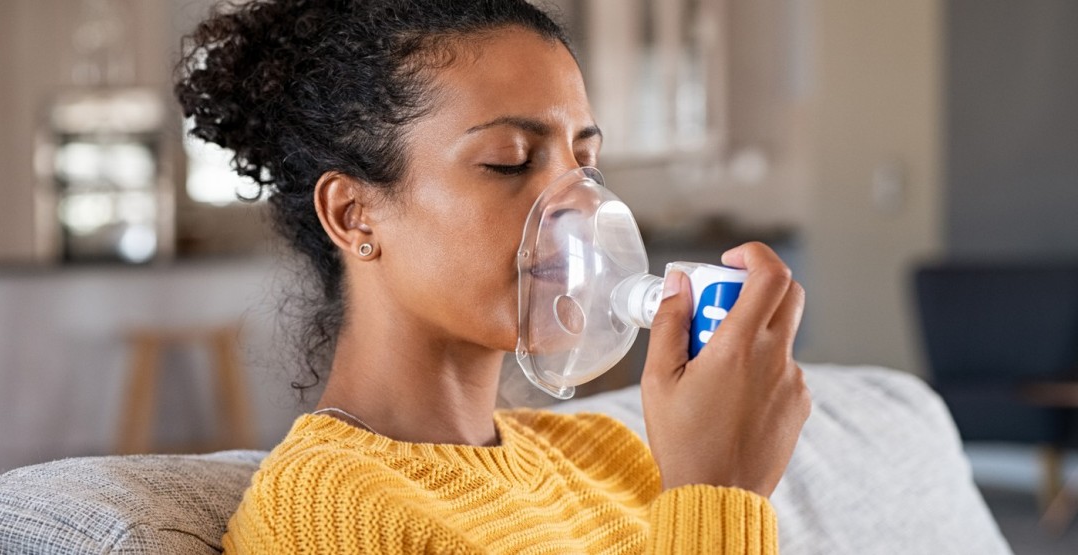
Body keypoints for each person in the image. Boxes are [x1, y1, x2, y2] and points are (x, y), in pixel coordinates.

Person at [175, 0, 811, 552]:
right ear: (354, 214)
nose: (574, 207)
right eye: (510, 160)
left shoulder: (608, 455)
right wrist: (716, 493)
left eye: (585, 162)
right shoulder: (328, 515)